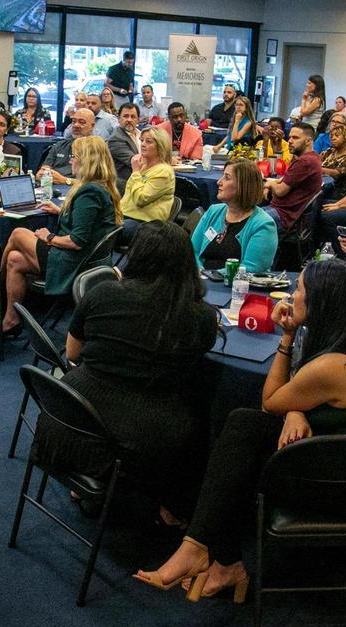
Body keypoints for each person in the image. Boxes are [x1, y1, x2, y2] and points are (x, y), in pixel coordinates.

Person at [134, 259, 346, 600]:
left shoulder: (332, 365)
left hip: (345, 488)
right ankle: (215, 557)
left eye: (300, 291)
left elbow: (270, 400)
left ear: (321, 303)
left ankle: (207, 551)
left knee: (237, 445)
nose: (292, 297)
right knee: (242, 431)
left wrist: (287, 337)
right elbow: (294, 396)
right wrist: (296, 408)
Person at [31, 221, 218, 522]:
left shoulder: (102, 293)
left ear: (136, 256)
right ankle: (173, 508)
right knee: (202, 412)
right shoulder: (200, 317)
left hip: (60, 423)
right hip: (127, 444)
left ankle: (95, 487)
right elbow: (190, 369)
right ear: (186, 264)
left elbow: (73, 354)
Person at [0, 135, 121, 339]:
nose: (70, 160)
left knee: (18, 233)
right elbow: (88, 223)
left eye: (74, 156)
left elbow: (76, 242)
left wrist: (48, 237)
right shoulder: (98, 186)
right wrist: (60, 211)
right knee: (15, 259)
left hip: (76, 261)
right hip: (85, 258)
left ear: (87, 160)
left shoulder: (89, 192)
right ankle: (10, 320)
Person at [190, 159, 278, 272]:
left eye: (227, 177)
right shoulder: (213, 212)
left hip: (237, 286)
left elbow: (252, 268)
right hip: (202, 281)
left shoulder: (263, 225)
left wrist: (211, 275)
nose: (219, 182)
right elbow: (193, 251)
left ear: (243, 185)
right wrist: (199, 273)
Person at [119, 127, 175, 241]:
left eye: (148, 141)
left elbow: (140, 199)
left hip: (147, 225)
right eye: (142, 140)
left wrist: (135, 172)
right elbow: (128, 196)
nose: (143, 144)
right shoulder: (142, 166)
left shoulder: (163, 171)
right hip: (127, 217)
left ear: (160, 146)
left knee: (104, 230)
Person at [265, 123, 323, 230]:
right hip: (284, 212)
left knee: (245, 220)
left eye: (295, 138)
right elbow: (283, 180)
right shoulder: (313, 157)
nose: (290, 141)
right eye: (290, 137)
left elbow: (280, 190)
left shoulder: (305, 162)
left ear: (308, 141)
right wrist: (272, 183)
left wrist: (269, 184)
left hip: (285, 216)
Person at [39, 108, 93, 183]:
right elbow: (40, 174)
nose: (76, 125)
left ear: (92, 126)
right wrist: (46, 174)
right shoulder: (60, 145)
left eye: (82, 122)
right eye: (73, 122)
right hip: (52, 186)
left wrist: (64, 180)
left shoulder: (96, 149)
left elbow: (96, 183)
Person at [319, 123, 346, 199]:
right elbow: (316, 162)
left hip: (336, 193)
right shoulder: (329, 151)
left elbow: (337, 174)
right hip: (321, 185)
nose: (333, 138)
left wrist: (318, 169)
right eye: (331, 136)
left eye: (337, 136)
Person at [107, 103, 142, 180]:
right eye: (125, 116)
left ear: (138, 120)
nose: (129, 120)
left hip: (142, 177)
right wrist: (161, 159)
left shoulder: (141, 134)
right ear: (119, 119)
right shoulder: (116, 139)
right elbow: (135, 161)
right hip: (126, 183)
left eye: (133, 117)